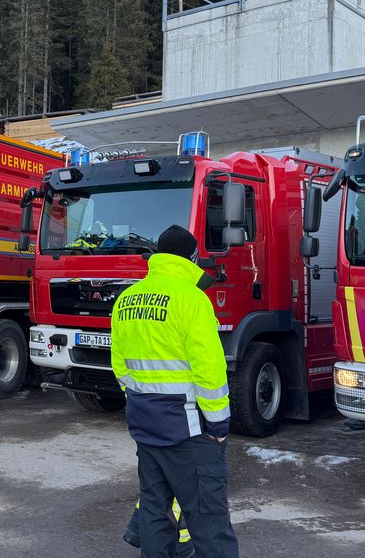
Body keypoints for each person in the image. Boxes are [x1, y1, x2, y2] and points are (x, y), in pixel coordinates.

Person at [111, 225, 238, 558]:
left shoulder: (127, 299)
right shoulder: (192, 299)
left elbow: (121, 368)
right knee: (209, 522)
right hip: (191, 432)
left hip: (146, 426)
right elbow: (209, 372)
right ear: (192, 258)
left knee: (154, 513)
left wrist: (144, 404)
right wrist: (219, 426)